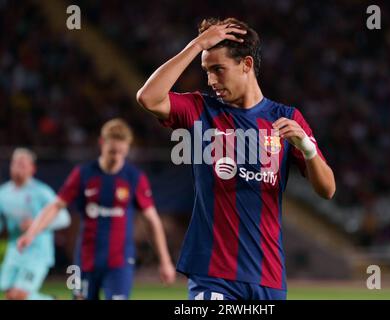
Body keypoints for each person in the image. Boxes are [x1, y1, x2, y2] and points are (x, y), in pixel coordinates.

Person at [136, 17, 336, 300]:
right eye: (206, 71)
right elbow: (149, 98)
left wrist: (307, 148)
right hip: (213, 275)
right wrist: (197, 45)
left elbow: (327, 189)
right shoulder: (200, 110)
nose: (211, 80)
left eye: (218, 69)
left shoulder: (287, 118)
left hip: (268, 277)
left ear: (247, 65)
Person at [17, 119, 176, 299]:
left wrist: (165, 261)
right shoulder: (83, 174)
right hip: (82, 261)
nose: (116, 157)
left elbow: (152, 220)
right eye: (112, 151)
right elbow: (55, 206)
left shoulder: (134, 178)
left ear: (128, 148)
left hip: (120, 263)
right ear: (102, 143)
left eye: (121, 152)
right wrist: (31, 233)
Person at [0, 148, 71, 300]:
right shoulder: (3, 193)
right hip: (14, 250)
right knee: (10, 295)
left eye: (23, 165)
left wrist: (37, 224)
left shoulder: (41, 191)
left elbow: (64, 218)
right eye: (15, 163)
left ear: (32, 169)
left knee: (19, 294)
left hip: (38, 251)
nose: (18, 168)